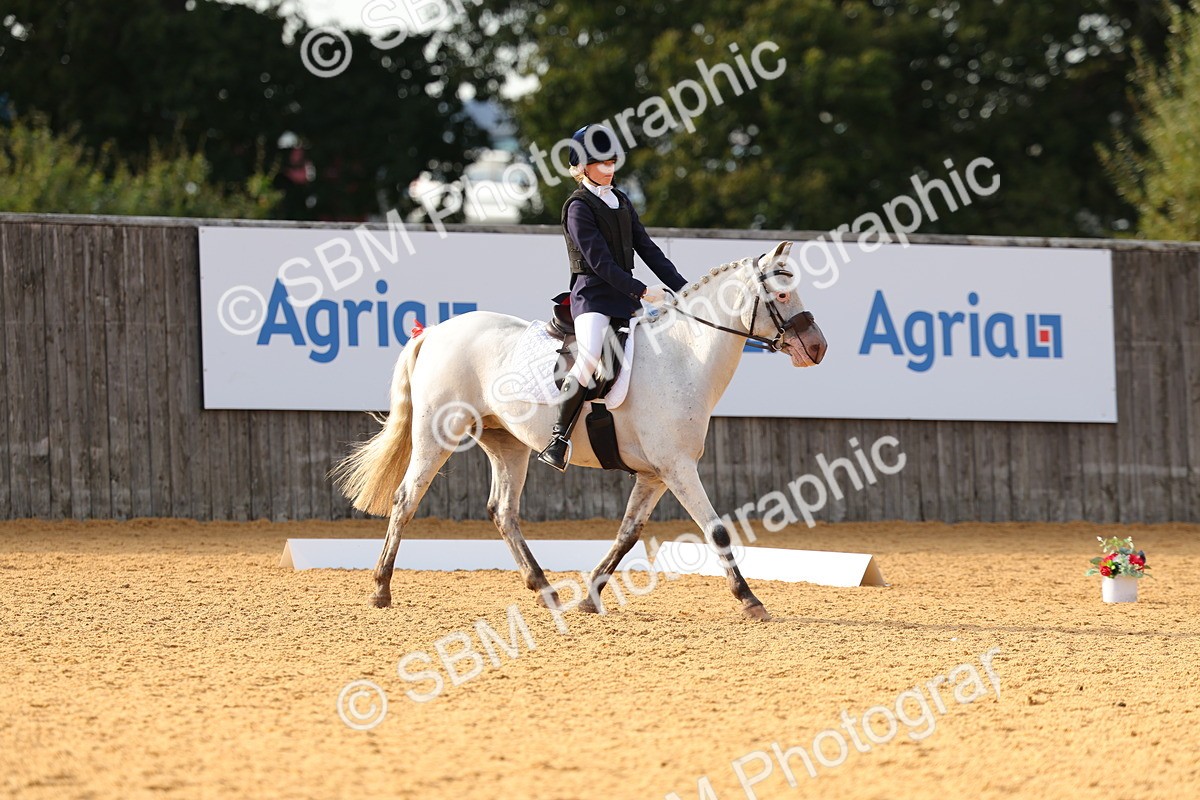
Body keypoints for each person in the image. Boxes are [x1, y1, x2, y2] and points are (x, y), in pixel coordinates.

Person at [537, 124, 689, 472]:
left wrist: (684, 289)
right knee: (590, 356)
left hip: (624, 298)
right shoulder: (578, 207)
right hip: (593, 297)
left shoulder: (620, 200)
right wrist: (643, 291)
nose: (609, 169)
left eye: (612, 162)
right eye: (601, 163)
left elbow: (648, 249)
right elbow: (600, 263)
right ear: (582, 167)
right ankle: (558, 439)